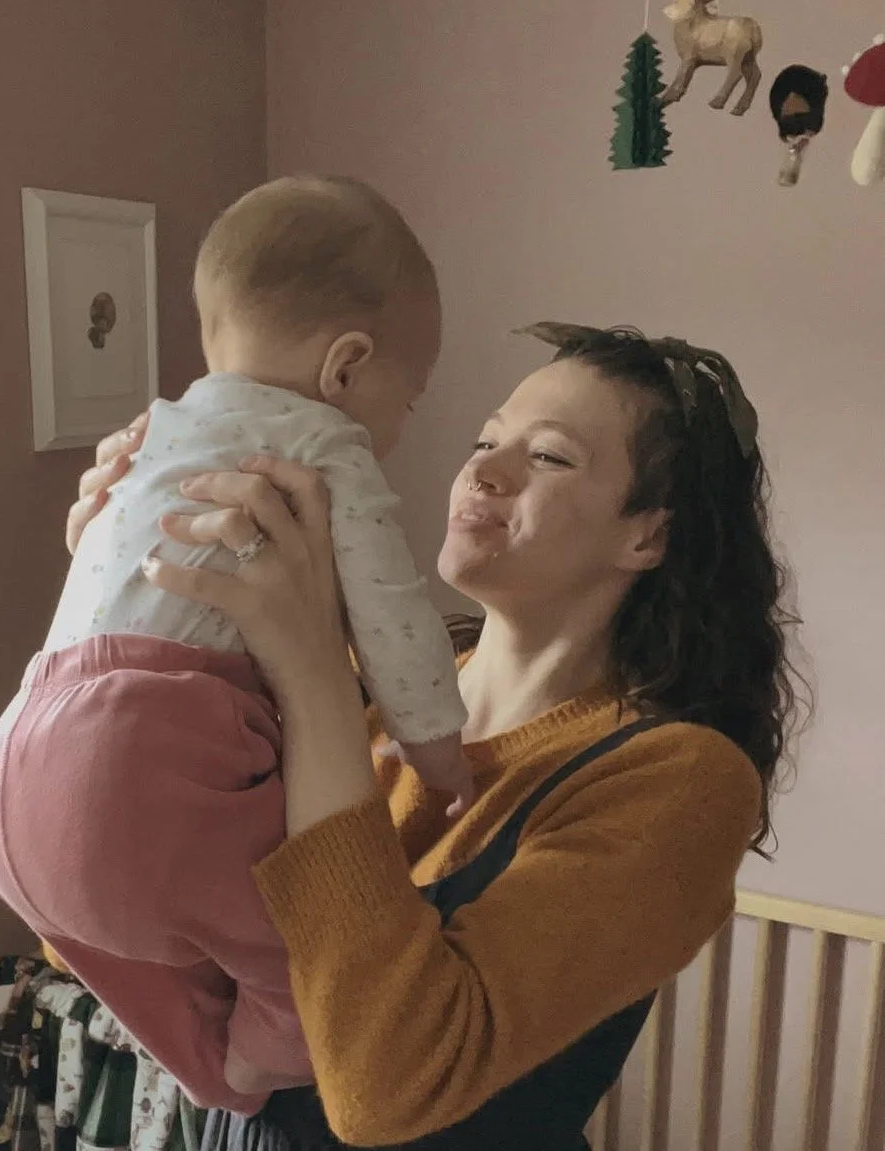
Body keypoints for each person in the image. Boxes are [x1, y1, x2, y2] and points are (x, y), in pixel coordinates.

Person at [63, 322, 806, 1150]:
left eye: (549, 456)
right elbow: (102, 911)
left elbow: (385, 1086)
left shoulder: (680, 780)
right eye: (486, 440)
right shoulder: (357, 683)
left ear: (649, 534)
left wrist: (310, 678)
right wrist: (117, 594)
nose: (484, 470)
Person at [0, 176, 474, 1116]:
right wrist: (439, 752)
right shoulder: (323, 446)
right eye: (411, 397)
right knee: (309, 957)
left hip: (18, 758)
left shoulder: (152, 433)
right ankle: (242, 1070)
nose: (406, 423)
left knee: (122, 934)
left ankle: (208, 1071)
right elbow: (394, 619)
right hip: (144, 758)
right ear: (347, 366)